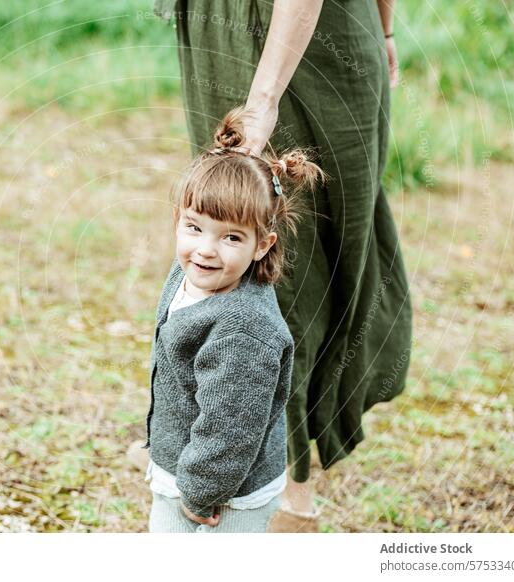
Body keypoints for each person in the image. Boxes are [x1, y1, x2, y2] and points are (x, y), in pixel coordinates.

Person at [135, 0, 413, 532]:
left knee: (292, 263)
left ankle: (275, 488)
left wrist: (264, 99)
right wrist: (386, 26)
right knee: (225, 234)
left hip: (285, 39)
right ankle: (205, 446)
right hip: (241, 35)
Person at [144, 108, 325, 533]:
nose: (206, 249)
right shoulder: (189, 275)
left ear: (262, 245)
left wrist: (201, 491)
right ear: (178, 220)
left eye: (231, 237)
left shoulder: (243, 330)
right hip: (182, 469)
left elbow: (231, 427)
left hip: (224, 498)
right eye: (194, 228)